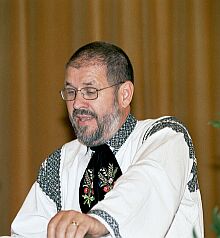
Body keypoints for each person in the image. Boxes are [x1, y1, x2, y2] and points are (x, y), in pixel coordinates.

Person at [11, 41, 204, 238]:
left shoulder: (165, 136)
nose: (77, 103)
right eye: (71, 91)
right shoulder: (58, 164)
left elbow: (147, 182)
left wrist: (99, 221)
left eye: (90, 91)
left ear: (124, 94)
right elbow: (28, 231)